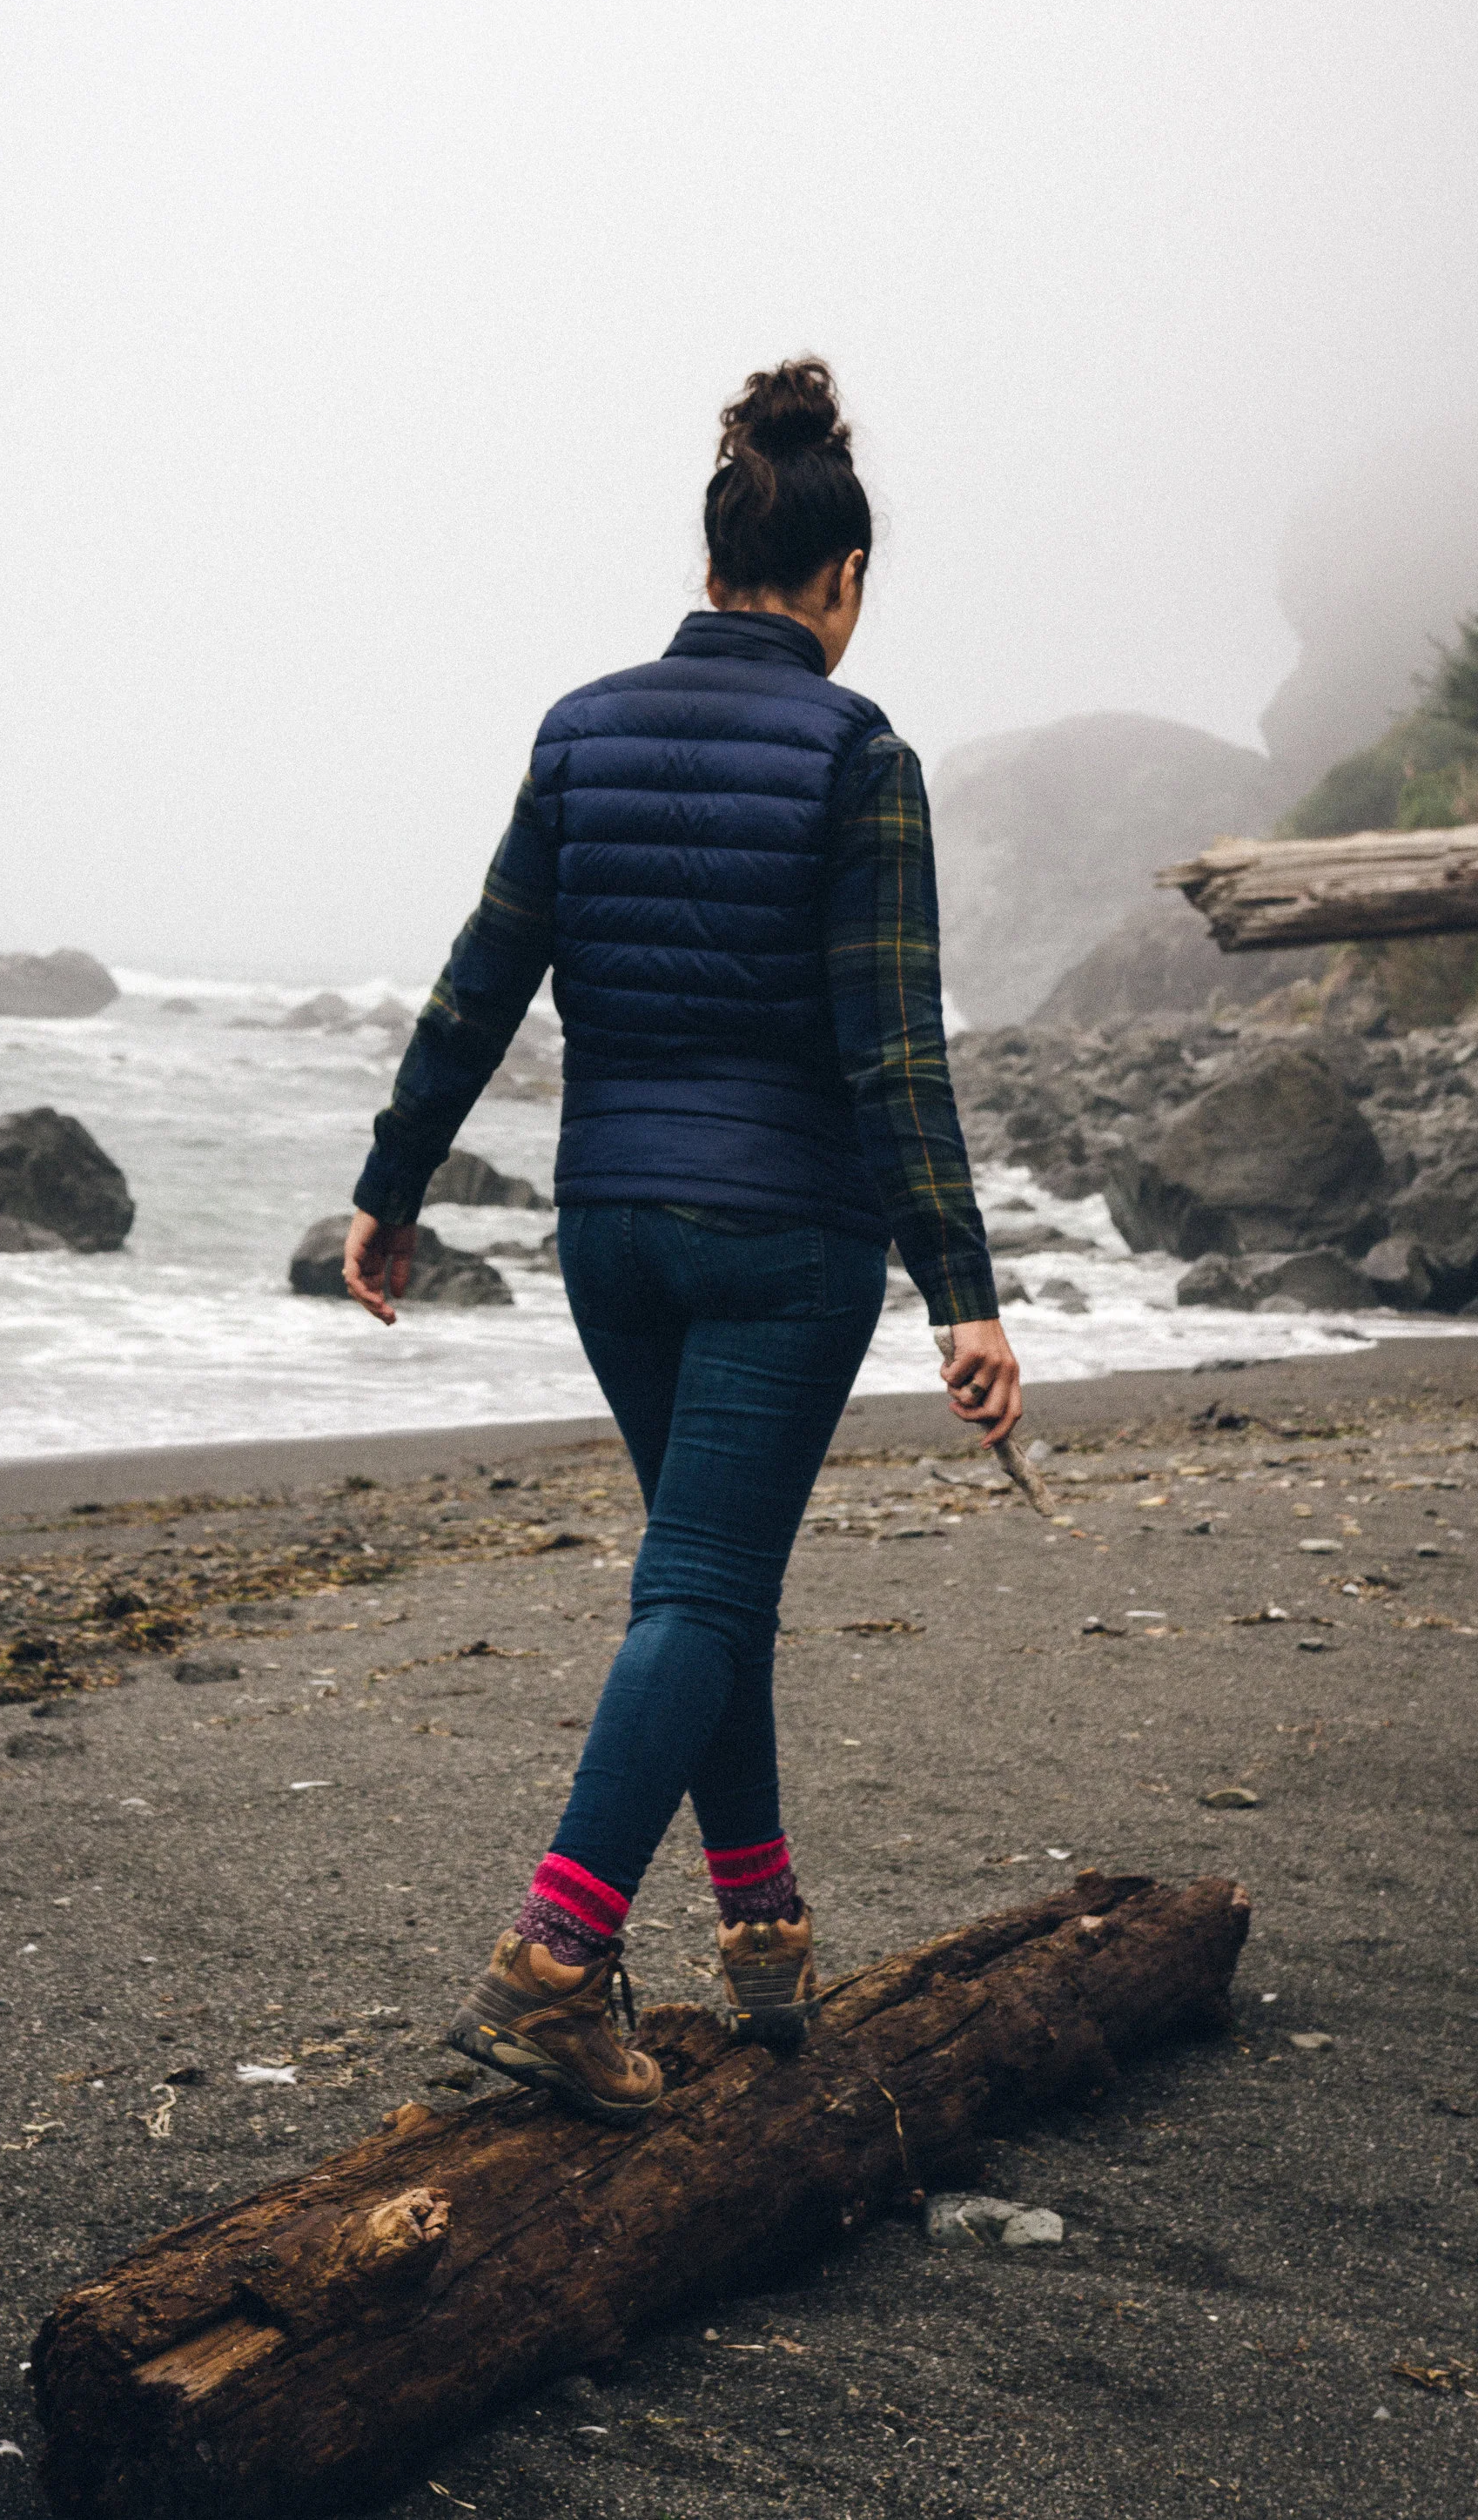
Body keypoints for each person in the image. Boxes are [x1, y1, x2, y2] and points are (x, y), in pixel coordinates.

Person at [341, 360, 1019, 2123]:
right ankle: (555, 1962)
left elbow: (480, 978)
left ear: (714, 559)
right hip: (784, 1243)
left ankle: (762, 1933)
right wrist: (964, 1294)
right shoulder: (860, 757)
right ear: (841, 582)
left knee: (704, 1592)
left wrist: (390, 1183)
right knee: (702, 1589)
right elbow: (891, 1046)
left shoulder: (579, 730)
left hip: (607, 1237)